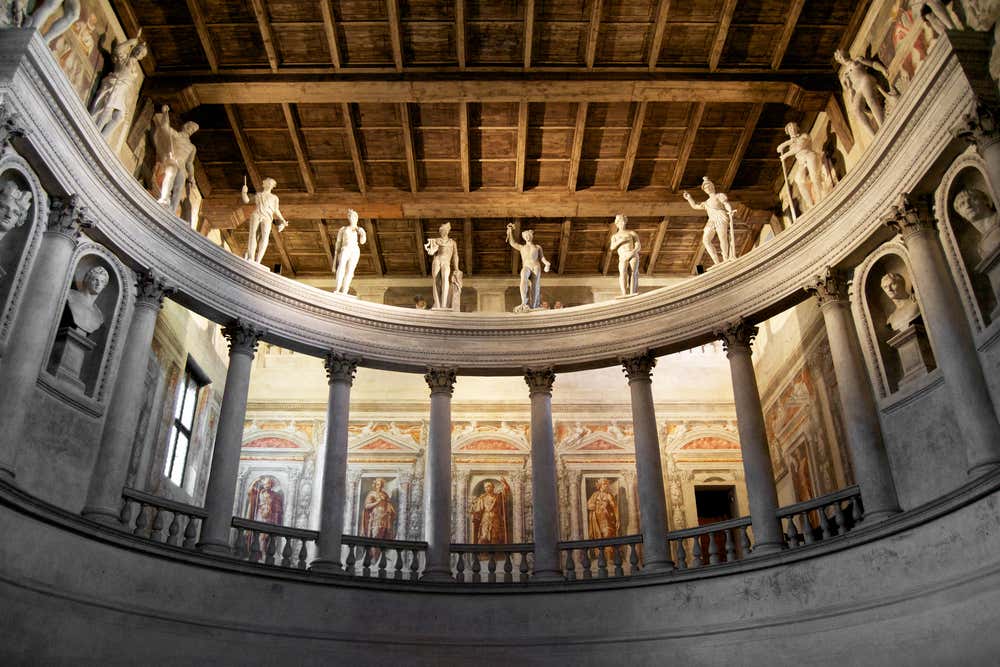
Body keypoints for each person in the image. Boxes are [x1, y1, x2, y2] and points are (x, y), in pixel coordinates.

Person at [90, 33, 147, 139]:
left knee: (119, 117)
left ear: (141, 57)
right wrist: (130, 42)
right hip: (114, 86)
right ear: (134, 49)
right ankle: (95, 134)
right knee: (107, 110)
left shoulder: (135, 69)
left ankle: (102, 138)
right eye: (138, 49)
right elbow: (118, 50)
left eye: (141, 52)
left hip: (121, 92)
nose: (138, 52)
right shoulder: (124, 58)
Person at [776, 122, 836, 211]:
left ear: (797, 128)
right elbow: (778, 149)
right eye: (790, 129)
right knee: (799, 179)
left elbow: (799, 148)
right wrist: (788, 142)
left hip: (810, 156)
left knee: (814, 176)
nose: (792, 130)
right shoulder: (791, 144)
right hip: (802, 163)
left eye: (793, 127)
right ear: (788, 132)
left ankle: (821, 198)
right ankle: (810, 205)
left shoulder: (804, 136)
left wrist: (785, 155)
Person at [151, 105, 199, 214]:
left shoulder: (192, 147)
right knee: (170, 175)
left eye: (193, 130)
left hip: (182, 167)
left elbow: (190, 163)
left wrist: (192, 178)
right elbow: (164, 128)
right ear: (185, 126)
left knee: (179, 188)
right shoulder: (175, 135)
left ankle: (172, 210)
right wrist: (165, 113)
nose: (191, 130)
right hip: (172, 161)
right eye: (190, 128)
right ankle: (164, 199)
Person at [835, 49, 892, 138]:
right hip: (858, 90)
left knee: (871, 100)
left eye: (841, 54)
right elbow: (851, 94)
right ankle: (873, 137)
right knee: (856, 110)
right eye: (838, 57)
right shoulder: (844, 76)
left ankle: (882, 125)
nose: (841, 57)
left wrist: (883, 69)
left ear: (847, 53)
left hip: (865, 80)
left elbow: (873, 64)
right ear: (839, 61)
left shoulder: (858, 60)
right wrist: (849, 88)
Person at [682, 177, 735, 266]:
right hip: (711, 220)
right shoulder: (706, 203)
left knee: (722, 238)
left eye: (709, 186)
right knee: (706, 240)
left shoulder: (719, 195)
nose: (707, 188)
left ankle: (725, 258)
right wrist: (689, 198)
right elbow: (695, 206)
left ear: (712, 186)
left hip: (720, 217)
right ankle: (717, 262)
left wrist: (730, 211)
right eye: (705, 188)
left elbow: (726, 204)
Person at [241, 177, 288, 266]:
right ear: (264, 184)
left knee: (265, 237)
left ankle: (258, 260)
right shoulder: (258, 195)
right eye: (268, 182)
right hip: (257, 214)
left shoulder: (274, 198)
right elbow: (246, 200)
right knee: (252, 234)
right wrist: (244, 192)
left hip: (267, 217)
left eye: (271, 183)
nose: (269, 184)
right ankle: (251, 257)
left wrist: (282, 219)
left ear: (273, 186)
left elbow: (276, 210)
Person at [506, 224, 551, 312]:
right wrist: (510, 231)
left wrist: (547, 264)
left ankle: (534, 305)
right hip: (526, 266)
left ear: (531, 236)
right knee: (523, 276)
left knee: (535, 286)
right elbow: (512, 243)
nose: (527, 237)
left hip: (536, 266)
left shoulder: (537, 247)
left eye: (528, 235)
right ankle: (524, 302)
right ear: (523, 237)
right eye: (525, 236)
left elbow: (542, 257)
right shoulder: (522, 247)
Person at [63, 265, 109, 335]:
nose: (98, 284)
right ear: (87, 279)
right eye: (96, 280)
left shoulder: (99, 316)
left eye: (102, 282)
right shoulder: (70, 295)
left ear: (104, 286)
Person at [424, 222, 459, 309]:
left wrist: (456, 268)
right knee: (436, 281)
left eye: (446, 230)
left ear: (448, 231)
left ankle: (444, 304)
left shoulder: (452, 242)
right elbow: (432, 251)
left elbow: (455, 255)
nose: (444, 232)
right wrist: (431, 248)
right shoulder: (436, 240)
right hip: (437, 260)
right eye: (442, 230)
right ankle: (438, 304)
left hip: (446, 262)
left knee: (445, 281)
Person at [334, 209, 366, 293]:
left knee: (350, 271)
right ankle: (337, 288)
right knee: (341, 267)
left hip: (355, 250)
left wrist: (362, 234)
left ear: (356, 218)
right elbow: (338, 242)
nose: (350, 218)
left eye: (351, 216)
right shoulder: (343, 229)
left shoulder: (359, 229)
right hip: (345, 248)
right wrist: (336, 253)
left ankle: (345, 290)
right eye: (349, 216)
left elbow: (362, 242)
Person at [470, 478, 511, 545]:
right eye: (486, 487)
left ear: (493, 487)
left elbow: (506, 493)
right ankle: (484, 554)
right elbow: (478, 510)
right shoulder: (482, 498)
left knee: (495, 537)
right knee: (484, 537)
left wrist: (505, 484)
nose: (487, 488)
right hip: (485, 520)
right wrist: (474, 511)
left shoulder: (498, 496)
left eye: (489, 486)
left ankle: (496, 553)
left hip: (496, 519)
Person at [610, 214, 641, 296]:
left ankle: (632, 292)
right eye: (620, 222)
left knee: (633, 272)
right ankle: (624, 293)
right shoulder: (615, 236)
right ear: (617, 223)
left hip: (632, 253)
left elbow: (638, 245)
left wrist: (633, 252)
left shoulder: (631, 233)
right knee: (623, 272)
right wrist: (621, 241)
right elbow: (612, 247)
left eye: (623, 221)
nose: (622, 223)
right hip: (623, 255)